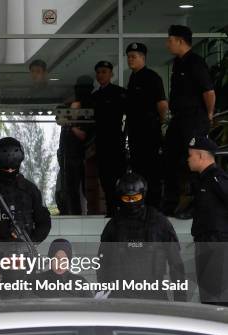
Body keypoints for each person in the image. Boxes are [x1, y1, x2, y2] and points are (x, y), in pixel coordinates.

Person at [97, 171, 186, 301]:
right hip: (120, 296)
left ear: (143, 195)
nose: (132, 202)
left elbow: (176, 265)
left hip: (154, 294)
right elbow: (101, 264)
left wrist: (180, 299)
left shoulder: (159, 223)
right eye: (127, 199)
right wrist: (102, 294)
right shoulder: (114, 226)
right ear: (120, 197)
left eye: (136, 198)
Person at [164, 25, 216, 218]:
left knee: (194, 161)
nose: (167, 44)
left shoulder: (196, 62)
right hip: (178, 119)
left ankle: (196, 204)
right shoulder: (177, 63)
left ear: (180, 41)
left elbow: (209, 92)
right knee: (170, 158)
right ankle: (170, 203)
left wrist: (209, 114)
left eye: (170, 40)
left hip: (194, 118)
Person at [124, 42, 168, 209]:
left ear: (143, 58)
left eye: (133, 57)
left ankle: (155, 207)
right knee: (138, 171)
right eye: (128, 57)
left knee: (152, 172)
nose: (130, 60)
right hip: (136, 134)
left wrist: (164, 128)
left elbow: (162, 104)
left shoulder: (152, 77)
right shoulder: (133, 78)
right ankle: (142, 205)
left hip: (150, 132)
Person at [187, 136, 228, 305]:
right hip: (205, 243)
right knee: (208, 297)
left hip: (218, 245)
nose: (188, 159)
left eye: (190, 155)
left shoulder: (217, 178)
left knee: (218, 298)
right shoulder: (202, 180)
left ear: (201, 156)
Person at [91, 61, 127, 217]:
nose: (100, 75)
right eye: (98, 72)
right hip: (101, 142)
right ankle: (111, 209)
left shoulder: (120, 93)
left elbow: (130, 117)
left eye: (104, 72)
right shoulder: (95, 96)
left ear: (111, 74)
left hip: (116, 141)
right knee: (105, 178)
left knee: (119, 176)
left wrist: (125, 135)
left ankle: (122, 208)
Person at [56, 75, 94, 215]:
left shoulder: (90, 106)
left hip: (83, 155)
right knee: (70, 190)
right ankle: (74, 215)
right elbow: (59, 118)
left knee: (85, 190)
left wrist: (71, 122)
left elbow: (83, 135)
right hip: (68, 155)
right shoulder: (73, 105)